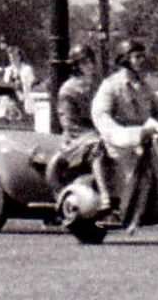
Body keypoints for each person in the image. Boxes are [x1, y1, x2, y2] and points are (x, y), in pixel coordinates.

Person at [91, 39, 158, 224]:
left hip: (146, 138)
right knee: (132, 169)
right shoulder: (111, 86)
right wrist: (122, 135)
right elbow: (101, 116)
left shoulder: (144, 85)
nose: (141, 60)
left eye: (142, 56)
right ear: (124, 60)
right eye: (137, 57)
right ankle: (117, 207)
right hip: (121, 141)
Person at [57, 45, 111, 208]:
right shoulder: (68, 90)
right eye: (84, 62)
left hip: (100, 130)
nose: (90, 65)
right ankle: (104, 195)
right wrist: (97, 133)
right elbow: (68, 123)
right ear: (76, 65)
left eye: (91, 61)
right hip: (77, 138)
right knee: (97, 147)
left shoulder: (99, 85)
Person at [2, 46, 36, 115]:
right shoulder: (8, 70)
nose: (12, 60)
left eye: (14, 57)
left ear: (19, 57)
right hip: (10, 103)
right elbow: (4, 85)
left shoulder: (27, 69)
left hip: (24, 102)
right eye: (10, 58)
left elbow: (31, 85)